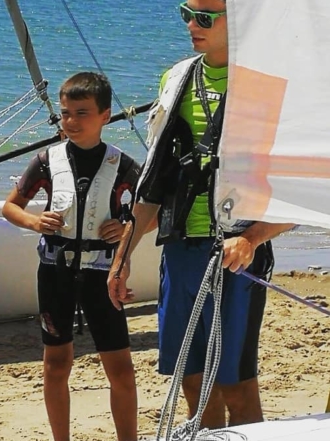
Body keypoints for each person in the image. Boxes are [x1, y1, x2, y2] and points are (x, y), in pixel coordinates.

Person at [107, 0, 294, 429]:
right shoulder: (176, 79)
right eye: (185, 13)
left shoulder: (270, 84)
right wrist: (121, 258)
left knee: (237, 389)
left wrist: (252, 238)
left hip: (236, 259)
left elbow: (300, 191)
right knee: (191, 383)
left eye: (205, 17)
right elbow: (156, 179)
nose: (192, 24)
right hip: (180, 252)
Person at [2, 72, 139, 441]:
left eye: (82, 113)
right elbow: (10, 207)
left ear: (105, 116)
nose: (71, 122)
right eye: (66, 113)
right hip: (55, 274)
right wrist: (34, 221)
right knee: (56, 364)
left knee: (121, 370)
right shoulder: (47, 160)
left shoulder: (122, 165)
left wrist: (124, 228)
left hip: (101, 276)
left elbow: (147, 213)